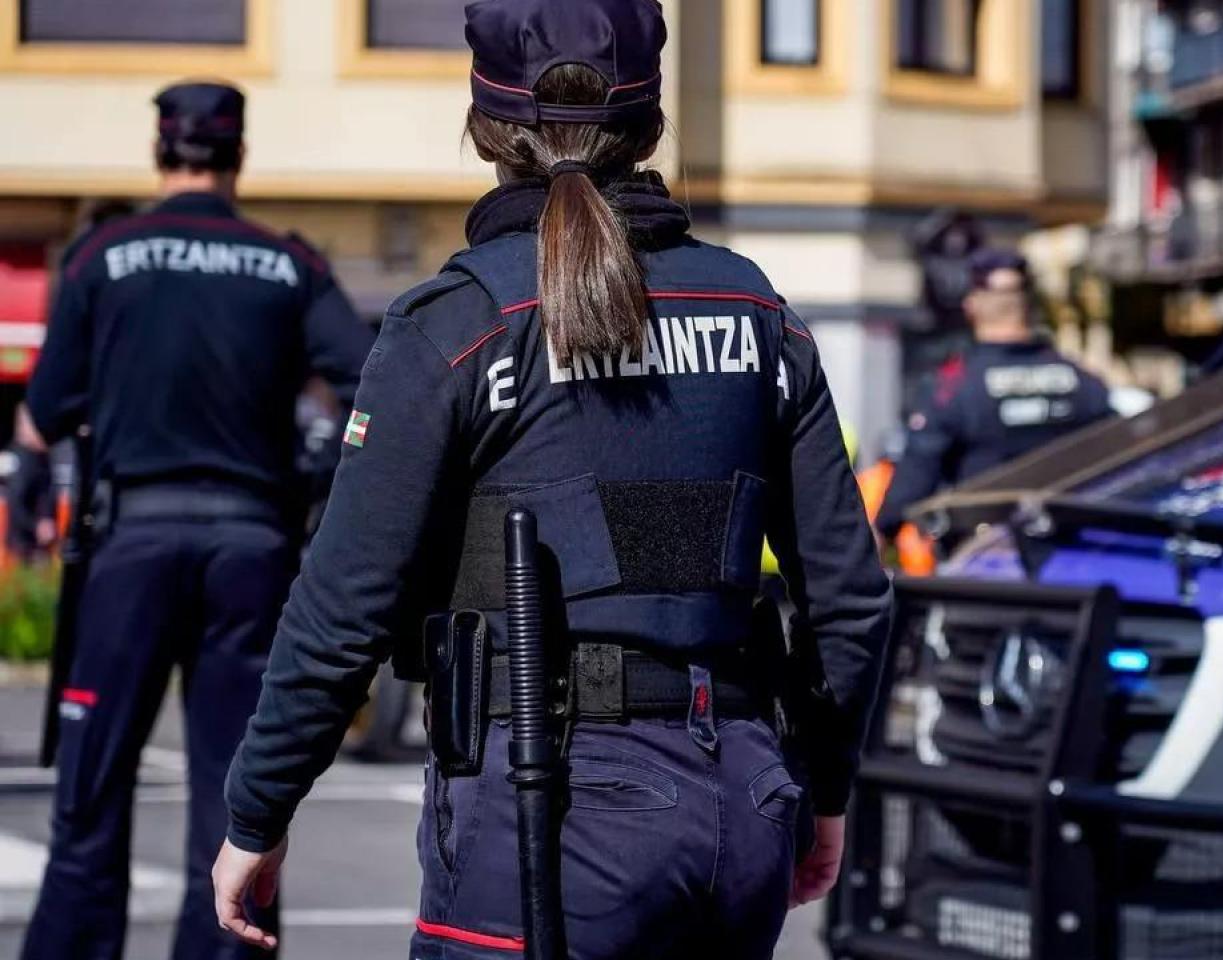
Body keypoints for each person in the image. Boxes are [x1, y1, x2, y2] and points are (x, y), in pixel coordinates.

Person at [212, 1, 894, 957]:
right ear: (650, 124)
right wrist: (822, 792)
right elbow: (853, 599)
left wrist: (257, 812)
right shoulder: (755, 309)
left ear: (486, 128)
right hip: (743, 801)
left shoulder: (457, 320)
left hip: (549, 803)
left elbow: (344, 603)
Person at [19, 81, 374, 960]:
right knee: (234, 798)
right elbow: (374, 382)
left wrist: (30, 478)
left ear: (161, 152)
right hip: (251, 550)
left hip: (131, 548)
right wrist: (320, 471)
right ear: (237, 156)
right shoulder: (291, 265)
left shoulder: (104, 256)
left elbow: (45, 411)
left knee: (90, 803)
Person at [874, 249, 1113, 539]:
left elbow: (914, 479)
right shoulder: (1080, 379)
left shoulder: (952, 386)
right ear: (1027, 304)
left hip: (984, 561)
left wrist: (882, 533)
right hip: (1069, 552)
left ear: (971, 305)